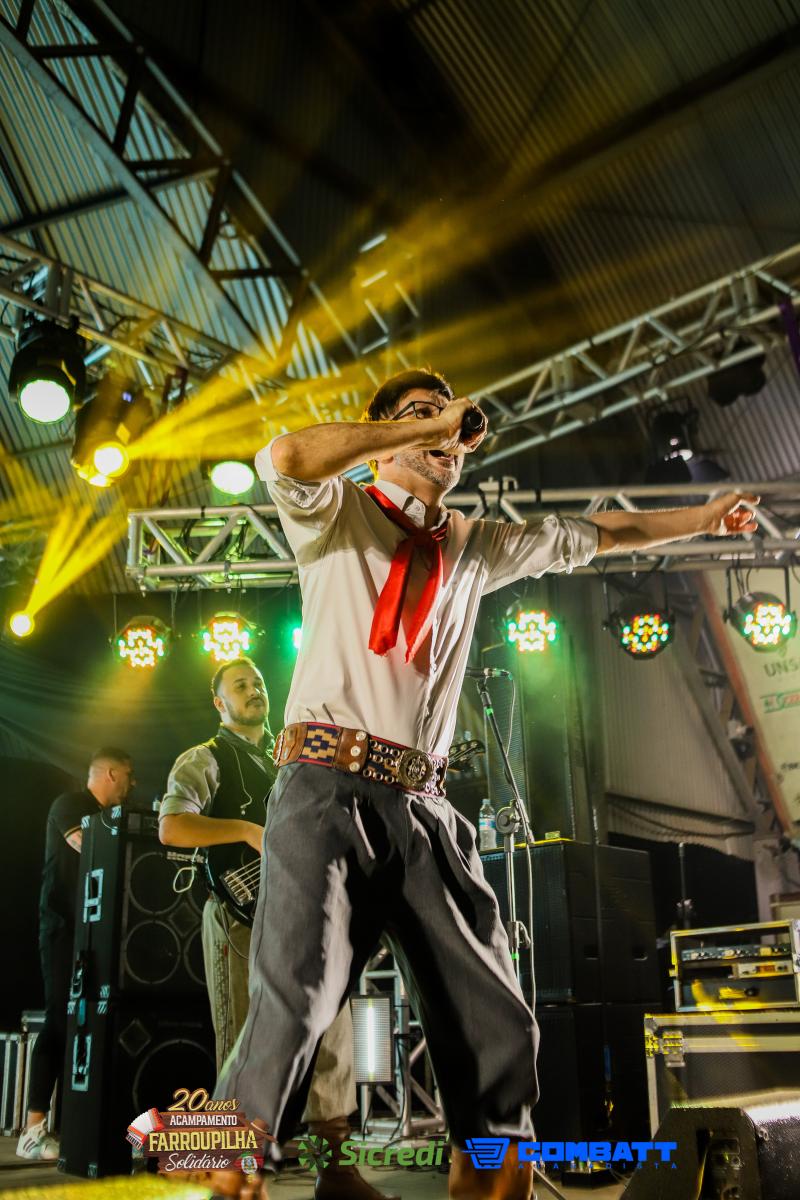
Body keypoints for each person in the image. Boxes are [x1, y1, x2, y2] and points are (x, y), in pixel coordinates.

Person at [201, 368, 758, 1200]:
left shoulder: (474, 543)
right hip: (324, 788)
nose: (447, 434)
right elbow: (286, 454)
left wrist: (703, 518)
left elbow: (601, 532)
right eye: (420, 416)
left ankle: (490, 1171)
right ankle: (224, 1156)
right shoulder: (337, 511)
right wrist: (422, 426)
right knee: (299, 990)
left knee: (497, 1017)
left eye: (453, 425)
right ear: (383, 437)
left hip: (425, 809)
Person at [159, 657, 396, 1200]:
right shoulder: (206, 758)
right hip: (241, 919)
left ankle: (335, 1173)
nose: (253, 689)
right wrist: (248, 831)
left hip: (312, 916)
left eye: (258, 682)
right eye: (240, 685)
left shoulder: (297, 754)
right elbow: (172, 827)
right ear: (219, 703)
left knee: (333, 1040)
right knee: (245, 1044)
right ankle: (236, 1182)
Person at [17, 747, 135, 1161]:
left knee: (91, 1025)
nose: (132, 784)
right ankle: (32, 1130)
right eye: (128, 775)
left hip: (96, 931)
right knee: (59, 1017)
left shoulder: (112, 818)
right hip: (62, 929)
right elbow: (90, 848)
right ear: (110, 773)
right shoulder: (70, 805)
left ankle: (81, 1126)